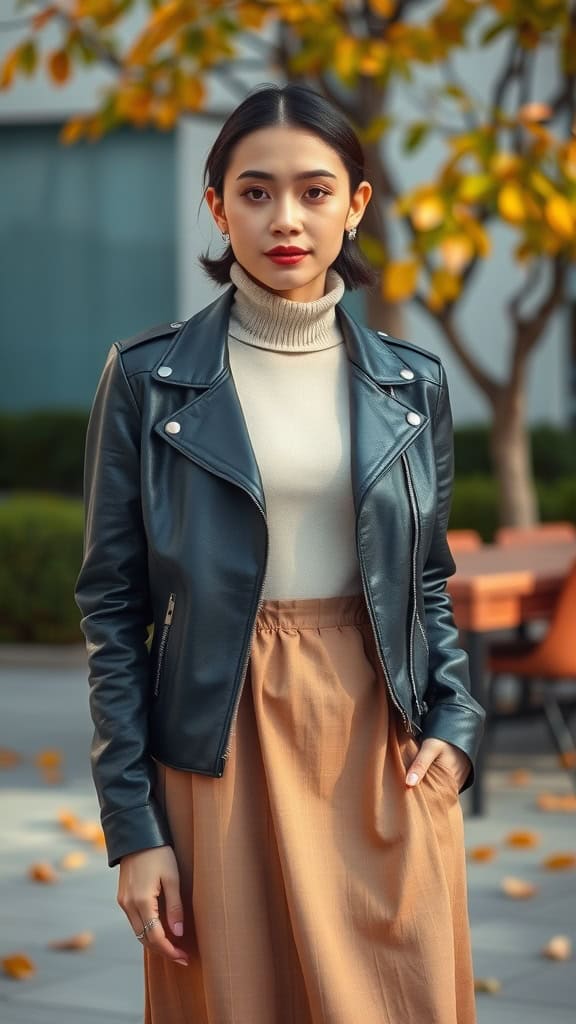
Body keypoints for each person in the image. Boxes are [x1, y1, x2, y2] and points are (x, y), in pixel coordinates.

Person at [75, 83, 486, 1024]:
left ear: (357, 204)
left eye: (314, 190)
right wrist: (134, 829)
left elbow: (426, 580)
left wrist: (455, 733)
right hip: (217, 746)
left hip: (380, 742)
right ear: (216, 206)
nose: (286, 218)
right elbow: (112, 607)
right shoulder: (147, 377)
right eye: (255, 193)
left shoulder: (412, 385)